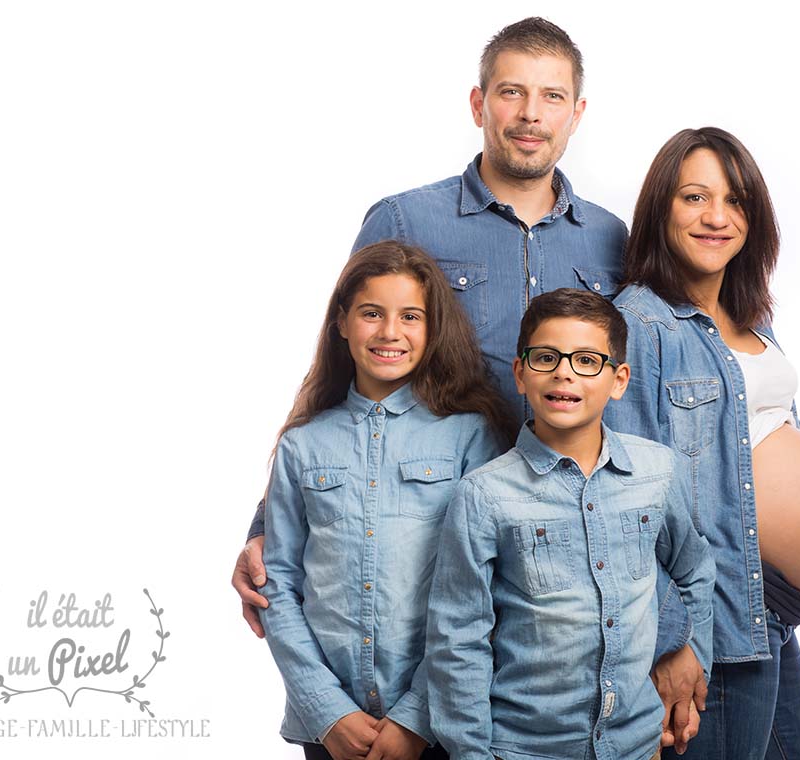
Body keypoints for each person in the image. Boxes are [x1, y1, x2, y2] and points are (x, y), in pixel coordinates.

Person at [235, 12, 628, 681]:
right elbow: (341, 373)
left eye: (552, 96)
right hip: (430, 546)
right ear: (479, 103)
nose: (530, 115)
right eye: (511, 92)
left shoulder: (613, 240)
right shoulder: (404, 220)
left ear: (577, 112)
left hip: (573, 546)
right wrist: (268, 522)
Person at [605, 127, 800, 759]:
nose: (717, 218)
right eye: (694, 198)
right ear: (660, 210)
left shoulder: (756, 316)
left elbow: (778, 432)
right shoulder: (638, 325)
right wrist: (671, 639)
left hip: (775, 610)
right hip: (713, 618)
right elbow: (623, 499)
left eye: (736, 201)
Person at [425, 289, 715, 760]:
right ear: (520, 373)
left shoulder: (658, 471)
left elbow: (695, 570)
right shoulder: (483, 494)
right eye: (546, 358)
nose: (564, 372)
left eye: (586, 360)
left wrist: (694, 655)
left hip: (637, 745)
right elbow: (458, 640)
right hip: (524, 748)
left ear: (618, 380)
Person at [260, 241, 513, 760]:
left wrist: (416, 716)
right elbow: (277, 587)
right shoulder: (302, 444)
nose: (389, 332)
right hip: (332, 731)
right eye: (371, 313)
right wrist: (327, 710)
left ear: (433, 327)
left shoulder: (470, 436)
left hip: (440, 725)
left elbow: (486, 587)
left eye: (411, 316)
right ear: (342, 322)